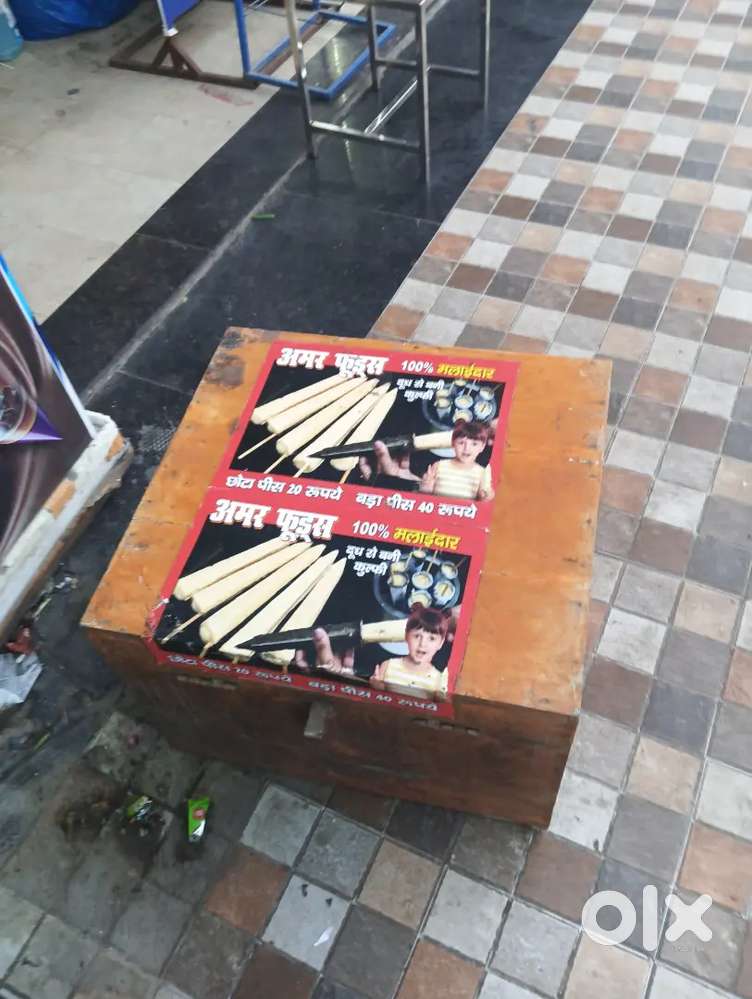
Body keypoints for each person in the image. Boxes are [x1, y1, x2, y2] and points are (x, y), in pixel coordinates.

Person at [294, 604, 452, 701]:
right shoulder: (388, 665)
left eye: (431, 638)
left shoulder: (440, 678)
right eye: (417, 636)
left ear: (441, 643)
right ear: (405, 636)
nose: (422, 644)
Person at [358, 420, 494, 501]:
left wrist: (485, 496)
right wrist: (414, 488)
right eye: (461, 443)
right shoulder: (440, 466)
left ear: (482, 447)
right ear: (453, 444)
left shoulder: (484, 471)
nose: (466, 449)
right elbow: (426, 493)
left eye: (474, 444)